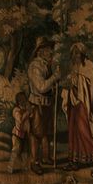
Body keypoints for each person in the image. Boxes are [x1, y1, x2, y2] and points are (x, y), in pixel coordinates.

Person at [62, 43, 93, 175]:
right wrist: (67, 84)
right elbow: (68, 82)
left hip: (84, 102)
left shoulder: (90, 66)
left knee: (85, 129)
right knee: (73, 130)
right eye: (74, 53)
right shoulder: (72, 66)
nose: (76, 56)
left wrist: (77, 81)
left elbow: (92, 85)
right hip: (73, 102)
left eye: (78, 53)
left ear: (83, 54)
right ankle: (74, 161)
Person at [27, 37, 62, 174]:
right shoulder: (35, 66)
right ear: (40, 51)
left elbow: (48, 87)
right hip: (37, 105)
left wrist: (54, 83)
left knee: (46, 133)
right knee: (36, 134)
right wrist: (54, 78)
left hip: (46, 104)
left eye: (51, 50)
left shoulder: (46, 65)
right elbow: (41, 87)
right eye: (48, 50)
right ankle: (35, 162)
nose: (51, 52)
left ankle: (46, 158)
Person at [9, 91, 30, 173]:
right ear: (18, 101)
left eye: (24, 99)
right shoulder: (16, 110)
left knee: (25, 151)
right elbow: (20, 120)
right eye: (21, 100)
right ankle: (10, 167)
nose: (23, 101)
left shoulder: (25, 109)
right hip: (17, 134)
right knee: (15, 150)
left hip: (25, 134)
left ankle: (24, 167)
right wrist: (27, 113)